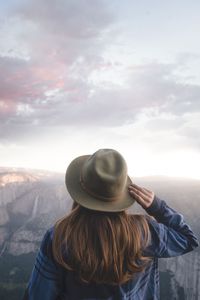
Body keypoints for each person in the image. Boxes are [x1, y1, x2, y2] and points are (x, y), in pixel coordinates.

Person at [23, 149, 199, 300]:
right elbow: (188, 239)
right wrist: (157, 207)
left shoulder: (59, 237)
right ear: (121, 194)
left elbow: (38, 295)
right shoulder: (144, 232)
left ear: (80, 191)